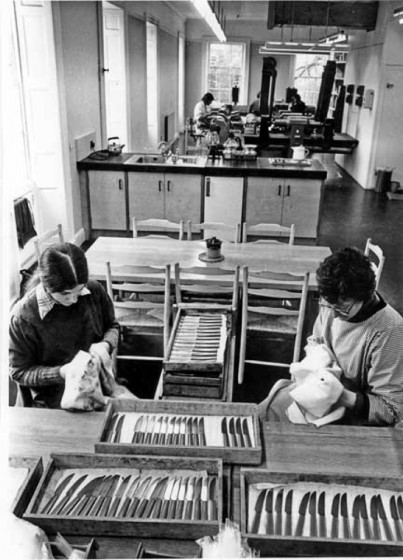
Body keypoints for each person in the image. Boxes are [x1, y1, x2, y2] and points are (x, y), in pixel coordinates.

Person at [259, 247, 403, 426]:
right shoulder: (333, 302)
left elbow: (391, 411)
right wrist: (315, 358)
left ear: (364, 297)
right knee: (267, 410)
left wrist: (342, 396)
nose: (333, 316)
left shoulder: (390, 331)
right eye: (328, 305)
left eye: (342, 309)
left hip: (354, 417)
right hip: (322, 394)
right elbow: (316, 339)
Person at [9, 242, 120, 408]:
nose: (74, 299)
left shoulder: (94, 290)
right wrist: (63, 373)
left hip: (94, 389)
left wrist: (105, 344)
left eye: (79, 291)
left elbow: (113, 326)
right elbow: (19, 372)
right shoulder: (22, 318)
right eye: (65, 294)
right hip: (50, 401)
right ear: (46, 284)